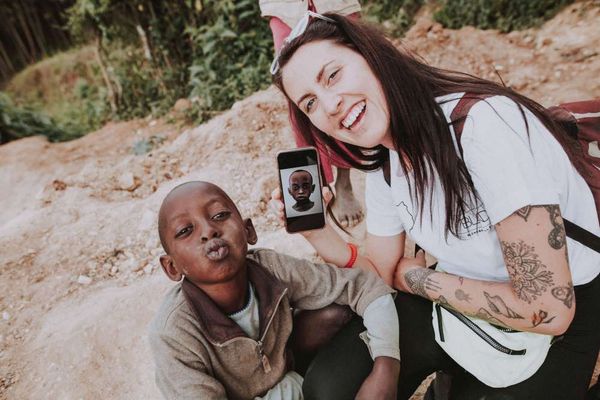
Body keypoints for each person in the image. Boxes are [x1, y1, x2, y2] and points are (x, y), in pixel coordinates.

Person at [269, 12, 600, 400]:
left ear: (372, 56)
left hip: (561, 316)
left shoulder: (484, 127)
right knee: (330, 387)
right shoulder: (383, 160)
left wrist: (413, 278)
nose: (330, 105)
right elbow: (380, 271)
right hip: (464, 298)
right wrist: (317, 232)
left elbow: (548, 308)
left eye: (333, 75)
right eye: (310, 103)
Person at [148, 181, 401, 400]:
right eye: (185, 231)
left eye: (219, 215)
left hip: (290, 373)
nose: (208, 231)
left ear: (249, 231)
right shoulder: (174, 332)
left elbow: (364, 286)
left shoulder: (270, 267)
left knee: (336, 312)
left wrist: (385, 370)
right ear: (172, 267)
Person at [259, 0, 364, 226]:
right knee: (297, 91)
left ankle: (344, 180)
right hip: (284, 7)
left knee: (345, 80)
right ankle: (317, 184)